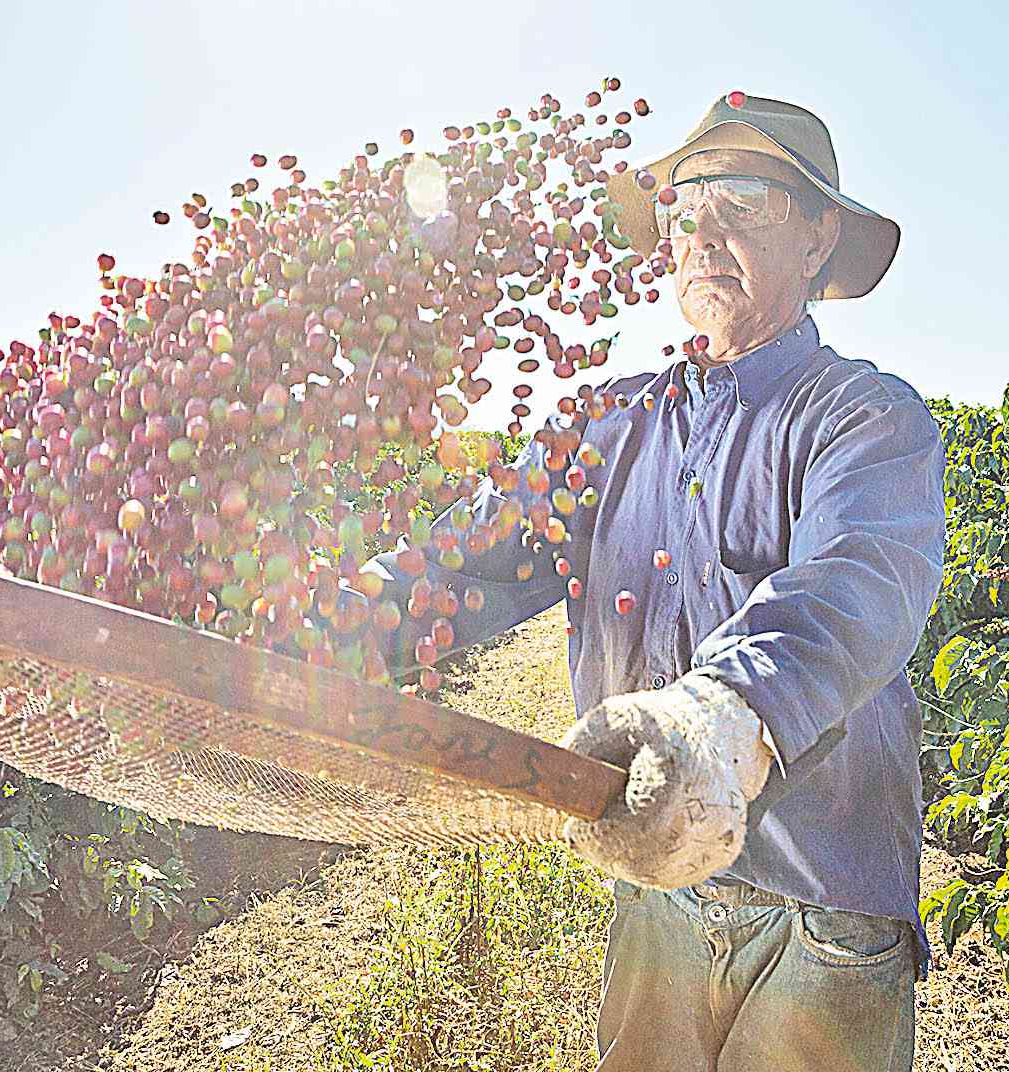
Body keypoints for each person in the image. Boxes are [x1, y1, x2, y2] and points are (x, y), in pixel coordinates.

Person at [356, 92, 947, 1071]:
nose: (704, 232)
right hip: (655, 883)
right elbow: (464, 565)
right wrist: (329, 618)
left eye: (743, 200)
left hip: (821, 906)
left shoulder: (864, 417)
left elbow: (854, 583)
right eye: (684, 206)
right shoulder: (606, 426)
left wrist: (723, 711)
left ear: (815, 236)